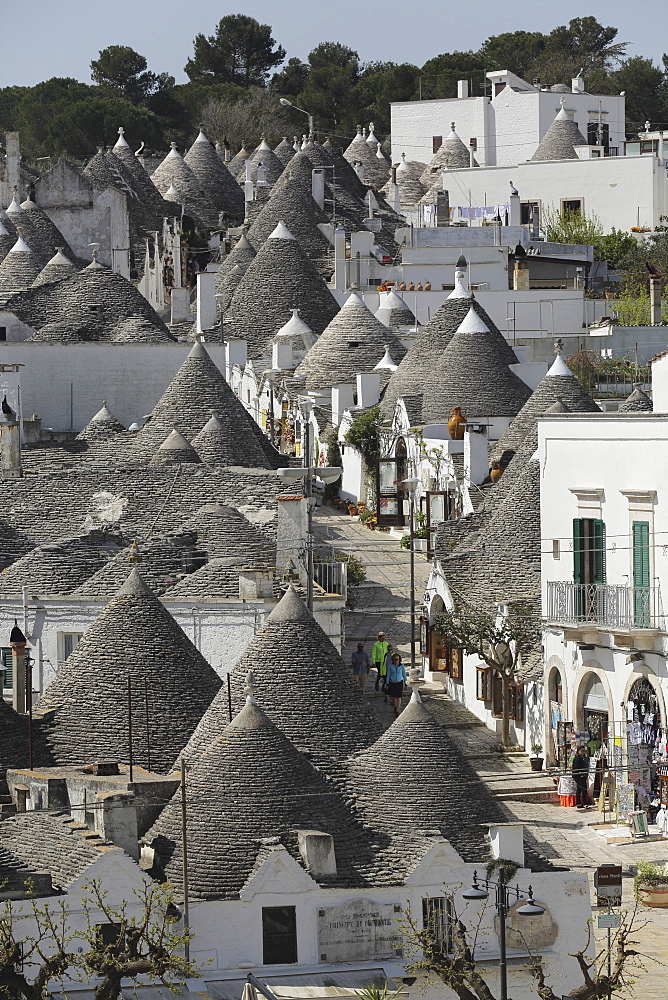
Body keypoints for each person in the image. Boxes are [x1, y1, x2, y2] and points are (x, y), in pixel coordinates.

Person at [572, 745, 589, 810]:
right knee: (583, 789)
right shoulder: (577, 758)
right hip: (579, 776)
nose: (583, 752)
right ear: (578, 751)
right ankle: (584, 803)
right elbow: (576, 767)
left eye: (584, 751)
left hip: (582, 775)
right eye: (581, 751)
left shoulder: (583, 757)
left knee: (579, 789)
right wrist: (580, 774)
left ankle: (579, 803)